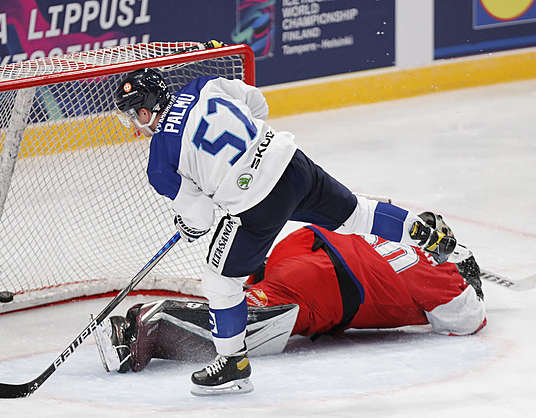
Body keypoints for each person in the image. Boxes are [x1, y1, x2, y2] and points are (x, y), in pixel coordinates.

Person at [113, 68, 464, 395]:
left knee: (219, 281)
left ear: (145, 114)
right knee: (357, 212)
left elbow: (201, 219)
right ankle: (426, 234)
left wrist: (189, 222)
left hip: (255, 204)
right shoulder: (204, 86)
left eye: (132, 115)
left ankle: (234, 365)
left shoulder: (160, 162)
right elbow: (258, 105)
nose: (133, 124)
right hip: (291, 163)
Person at [92, 214, 485, 395]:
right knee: (254, 326)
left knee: (244, 299)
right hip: (326, 286)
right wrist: (469, 278)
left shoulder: (393, 228)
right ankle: (145, 327)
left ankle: (158, 315)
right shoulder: (440, 274)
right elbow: (468, 320)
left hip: (299, 246)